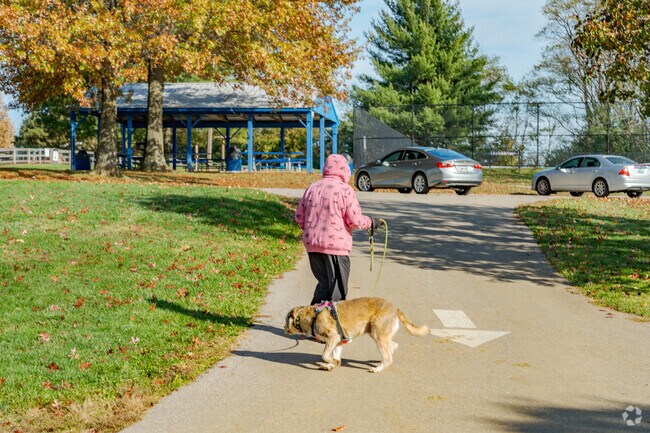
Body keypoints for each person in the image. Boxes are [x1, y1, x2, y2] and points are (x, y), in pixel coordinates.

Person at [295, 154, 384, 305]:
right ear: (345, 170)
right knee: (338, 290)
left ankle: (313, 322)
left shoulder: (312, 188)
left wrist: (312, 229)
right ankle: (333, 324)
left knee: (323, 287)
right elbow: (355, 220)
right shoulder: (345, 190)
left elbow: (299, 216)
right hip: (336, 247)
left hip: (313, 245)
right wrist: (371, 223)